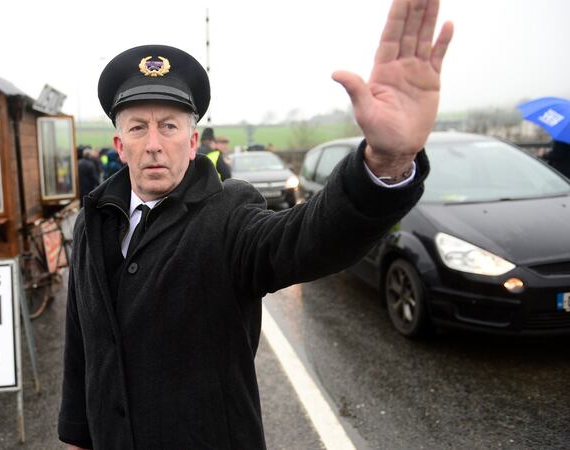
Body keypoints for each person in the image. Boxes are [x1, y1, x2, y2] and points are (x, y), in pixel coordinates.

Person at [59, 1, 453, 448]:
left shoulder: (227, 215)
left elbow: (306, 239)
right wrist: (76, 436)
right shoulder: (91, 223)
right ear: (118, 142)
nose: (153, 144)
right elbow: (81, 343)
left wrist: (386, 161)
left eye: (168, 126)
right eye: (137, 128)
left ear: (192, 143)